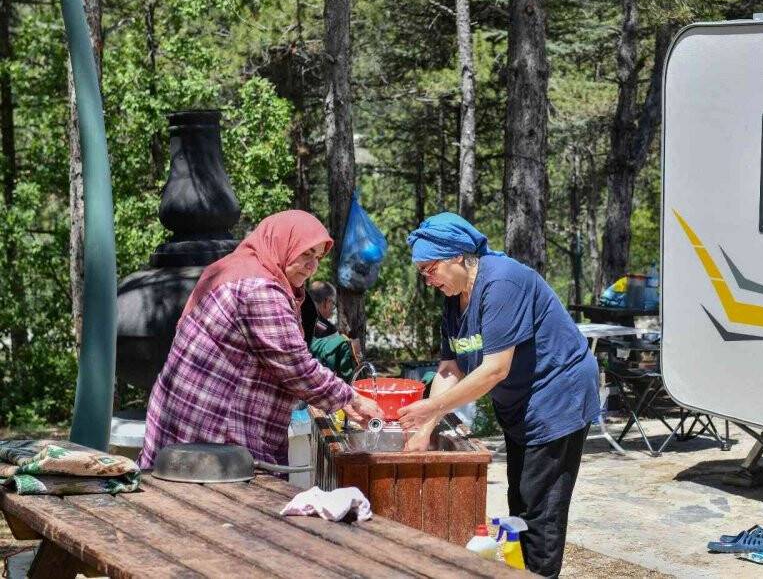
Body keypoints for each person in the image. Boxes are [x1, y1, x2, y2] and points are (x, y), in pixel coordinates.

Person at [397, 212, 599, 578]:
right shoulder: (452, 298)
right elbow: (450, 368)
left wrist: (433, 406)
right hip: (520, 405)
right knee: (519, 501)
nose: (427, 280)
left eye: (430, 269)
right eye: (422, 272)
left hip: (557, 396)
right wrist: (425, 426)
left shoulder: (503, 282)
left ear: (457, 255)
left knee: (541, 509)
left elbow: (495, 369)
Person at [139, 210, 382, 469]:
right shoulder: (261, 289)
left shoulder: (240, 266)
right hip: (210, 428)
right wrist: (351, 399)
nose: (313, 266)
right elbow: (297, 367)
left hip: (184, 417)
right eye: (306, 254)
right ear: (282, 244)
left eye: (319, 256)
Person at [306, 280, 356, 382]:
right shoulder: (334, 337)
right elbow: (347, 381)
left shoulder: (294, 322)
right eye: (333, 304)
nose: (333, 309)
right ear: (326, 302)